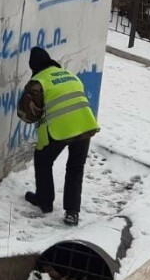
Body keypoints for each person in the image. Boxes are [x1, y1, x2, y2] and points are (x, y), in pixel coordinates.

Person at [17, 46, 100, 226]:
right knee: (75, 168)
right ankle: (72, 212)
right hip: (85, 124)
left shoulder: (38, 82)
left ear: (34, 66)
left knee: (43, 159)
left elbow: (28, 115)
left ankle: (45, 201)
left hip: (62, 129)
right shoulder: (70, 75)